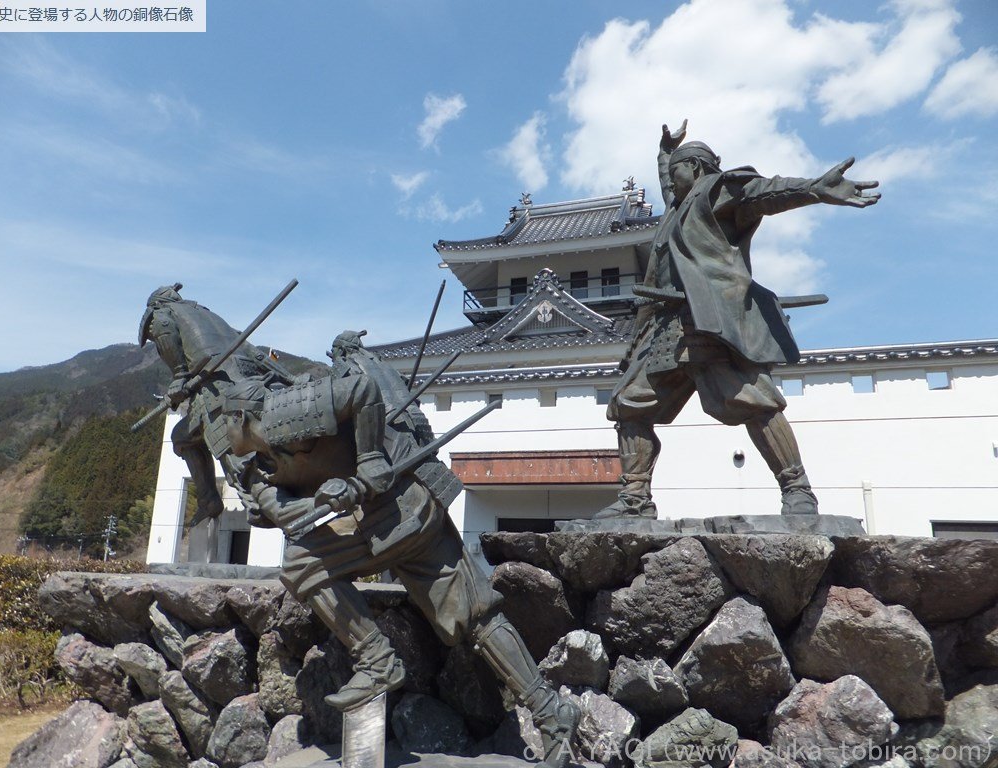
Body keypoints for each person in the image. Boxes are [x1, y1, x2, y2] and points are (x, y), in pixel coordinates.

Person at [220, 337, 579, 767]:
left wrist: (370, 461)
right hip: (390, 520)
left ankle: (377, 659)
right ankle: (550, 711)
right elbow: (286, 513)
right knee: (476, 615)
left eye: (224, 424)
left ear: (241, 416)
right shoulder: (254, 469)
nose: (222, 437)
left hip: (403, 506)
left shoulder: (287, 412)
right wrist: (322, 498)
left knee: (304, 563)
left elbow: (362, 390)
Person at [598, 120, 880, 519]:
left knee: (755, 400)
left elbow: (763, 192)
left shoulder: (715, 191)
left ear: (696, 167)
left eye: (676, 170)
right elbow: (669, 184)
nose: (670, 181)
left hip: (708, 321)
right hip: (665, 328)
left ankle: (797, 489)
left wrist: (815, 188)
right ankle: (635, 498)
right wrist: (665, 153)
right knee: (629, 405)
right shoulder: (677, 206)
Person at [138, 284, 294, 525]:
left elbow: (166, 337)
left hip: (216, 394)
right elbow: (257, 355)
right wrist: (289, 378)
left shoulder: (161, 314)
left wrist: (179, 378)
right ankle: (209, 500)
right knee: (182, 435)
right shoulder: (212, 317)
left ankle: (284, 512)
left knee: (243, 468)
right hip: (254, 383)